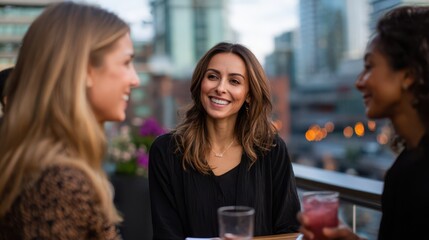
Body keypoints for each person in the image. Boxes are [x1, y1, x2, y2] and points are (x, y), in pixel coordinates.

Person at [0, 2, 139, 239]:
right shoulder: (57, 184)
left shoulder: (48, 168)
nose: (135, 79)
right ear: (85, 70)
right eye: (126, 62)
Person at [298, 6, 429, 240]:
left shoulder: (415, 174)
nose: (359, 82)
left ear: (408, 75)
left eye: (369, 67)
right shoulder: (408, 165)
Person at [149, 42, 300, 239]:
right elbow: (165, 235)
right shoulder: (165, 151)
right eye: (212, 77)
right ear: (200, 83)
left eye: (234, 81)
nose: (220, 88)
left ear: (248, 95)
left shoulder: (272, 149)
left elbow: (291, 231)